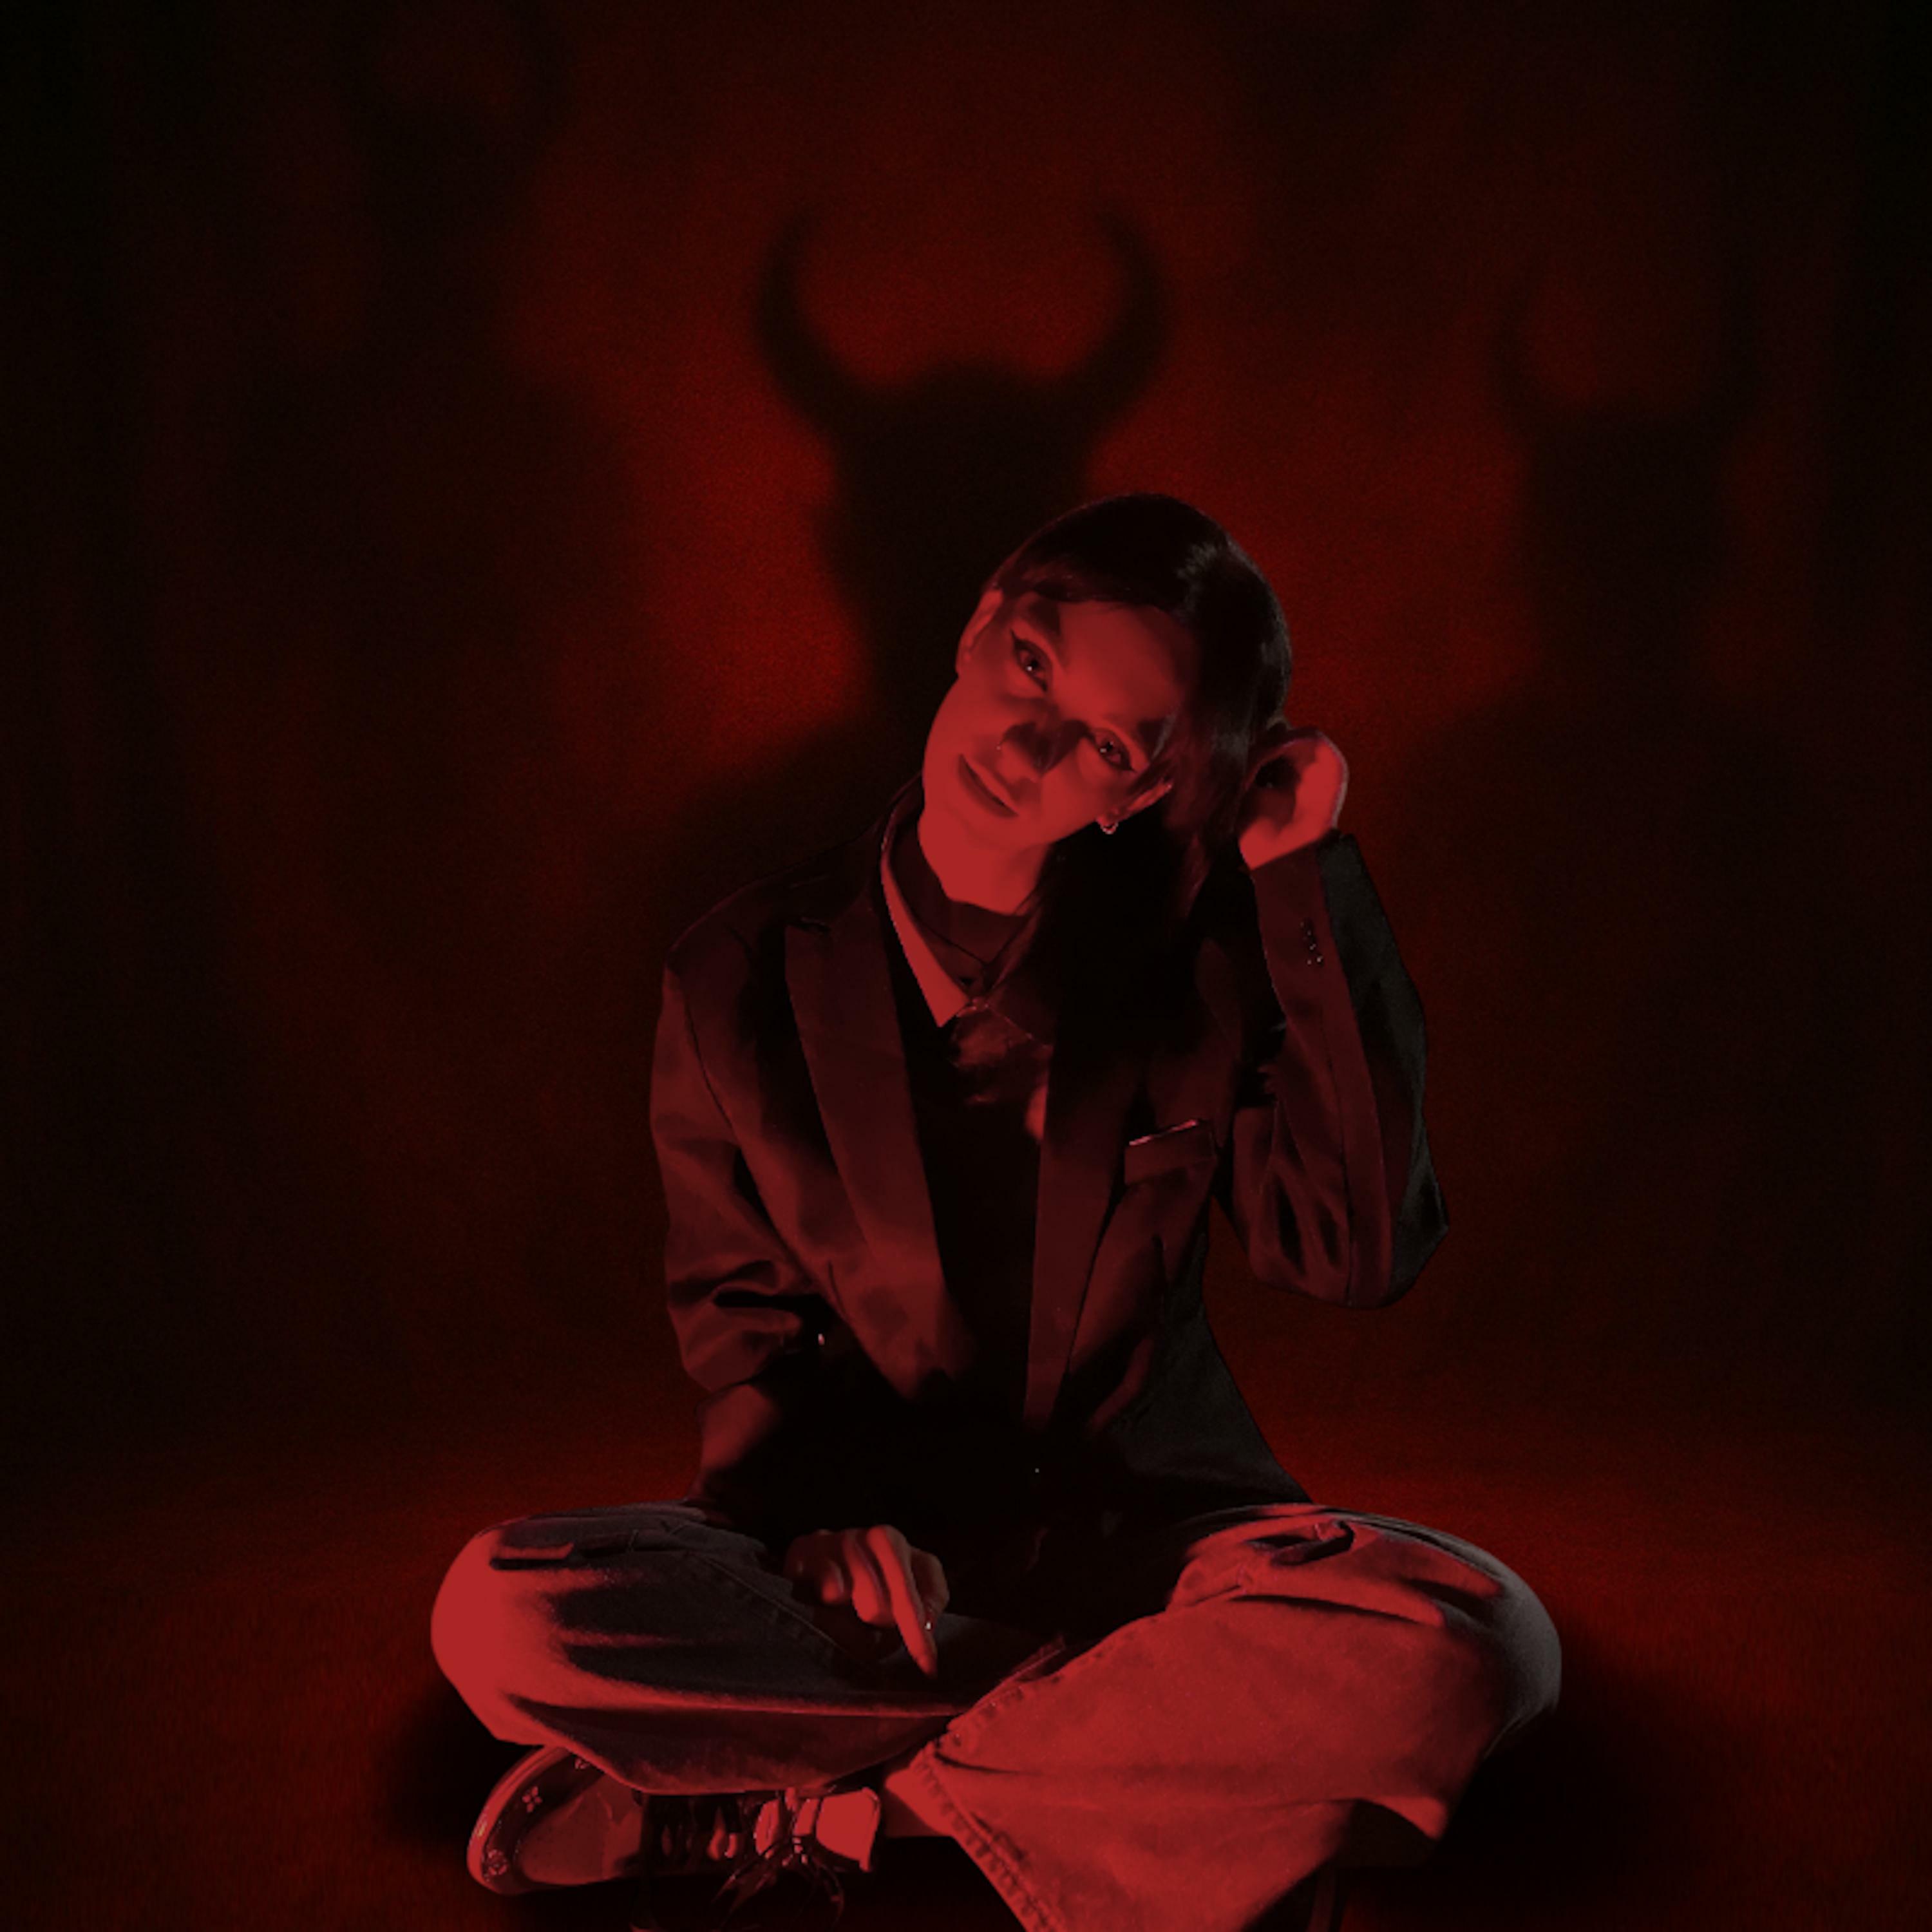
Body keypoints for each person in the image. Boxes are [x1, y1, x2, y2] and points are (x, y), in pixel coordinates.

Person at [431, 495, 1562, 1932]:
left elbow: (1353, 1251)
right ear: (978, 626)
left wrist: (1297, 870)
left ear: (1142, 792)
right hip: (880, 1587)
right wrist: (824, 1521)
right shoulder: (736, 971)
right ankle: (1187, 1780)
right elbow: (746, 1323)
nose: (1026, 748)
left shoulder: (1205, 962)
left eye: (1107, 743)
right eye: (1033, 666)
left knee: (1483, 1640)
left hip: (1163, 1560)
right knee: (502, 1606)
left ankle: (837, 1812)